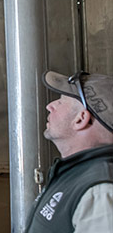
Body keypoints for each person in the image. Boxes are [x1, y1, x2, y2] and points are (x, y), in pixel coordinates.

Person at [24, 70, 113, 232]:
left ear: (81, 119)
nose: (50, 106)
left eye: (61, 101)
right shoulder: (77, 171)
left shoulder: (100, 192)